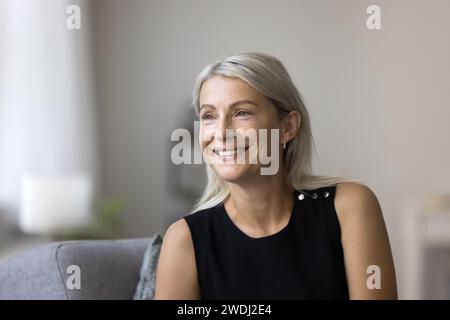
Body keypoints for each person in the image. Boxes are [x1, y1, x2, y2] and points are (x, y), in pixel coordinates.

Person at [155, 52, 397, 299]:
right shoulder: (184, 240)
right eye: (209, 116)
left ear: (288, 127)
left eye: (242, 113)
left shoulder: (350, 207)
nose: (222, 132)